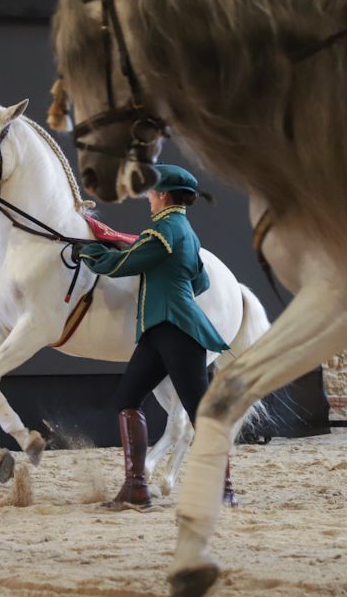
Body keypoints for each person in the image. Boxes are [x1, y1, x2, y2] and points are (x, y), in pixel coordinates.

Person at [78, 165, 233, 510]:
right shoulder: (185, 231)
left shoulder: (164, 229)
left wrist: (89, 252)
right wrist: (171, 284)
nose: (147, 197)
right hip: (159, 330)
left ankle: (224, 490)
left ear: (163, 194)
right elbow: (200, 282)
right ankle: (136, 488)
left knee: (199, 411)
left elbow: (121, 265)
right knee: (128, 398)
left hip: (176, 330)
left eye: (150, 191)